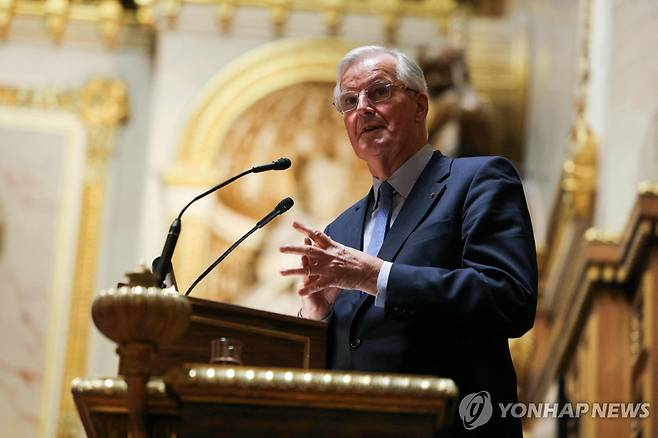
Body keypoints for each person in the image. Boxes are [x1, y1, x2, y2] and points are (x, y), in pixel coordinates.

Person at [279, 45, 537, 437]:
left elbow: (509, 299)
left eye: (379, 92)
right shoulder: (339, 231)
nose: (362, 108)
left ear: (420, 106)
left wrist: (376, 276)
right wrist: (316, 318)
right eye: (349, 101)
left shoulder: (477, 181)